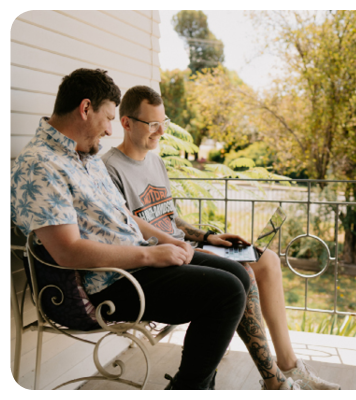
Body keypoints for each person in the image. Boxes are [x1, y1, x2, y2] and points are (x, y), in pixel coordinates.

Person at [10, 69, 253, 390]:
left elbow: (123, 214)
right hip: (113, 281)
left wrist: (171, 243)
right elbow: (67, 252)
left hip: (138, 262)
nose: (110, 129)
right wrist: (151, 255)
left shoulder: (85, 155)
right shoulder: (41, 164)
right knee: (227, 292)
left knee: (239, 273)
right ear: (85, 109)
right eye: (109, 118)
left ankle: (196, 387)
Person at [102, 85, 341, 390]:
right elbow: (127, 228)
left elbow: (169, 217)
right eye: (153, 124)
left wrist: (208, 237)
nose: (161, 131)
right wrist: (193, 248)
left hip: (188, 246)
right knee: (242, 272)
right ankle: (274, 380)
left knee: (266, 260)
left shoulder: (155, 161)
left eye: (165, 122)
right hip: (164, 260)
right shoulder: (110, 169)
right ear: (126, 123)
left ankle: (289, 366)